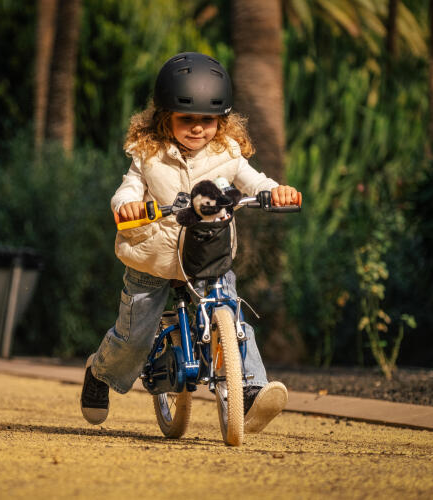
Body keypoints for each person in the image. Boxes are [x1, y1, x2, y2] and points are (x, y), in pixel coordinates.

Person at [80, 52, 299, 433]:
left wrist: (276, 192)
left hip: (207, 255)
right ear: (165, 117)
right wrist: (128, 205)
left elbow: (254, 181)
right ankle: (99, 373)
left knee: (233, 315)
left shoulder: (227, 153)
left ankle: (249, 393)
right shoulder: (148, 155)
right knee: (134, 339)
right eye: (187, 119)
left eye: (207, 120)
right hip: (153, 259)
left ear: (222, 120)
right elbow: (128, 189)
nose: (198, 129)